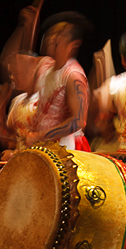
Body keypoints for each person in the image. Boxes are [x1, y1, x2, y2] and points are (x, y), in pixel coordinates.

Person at [25, 12, 93, 151]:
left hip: (68, 148)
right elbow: (17, 61)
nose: (52, 39)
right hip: (45, 146)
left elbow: (78, 121)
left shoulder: (73, 75)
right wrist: (26, 26)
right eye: (51, 35)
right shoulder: (45, 67)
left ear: (72, 45)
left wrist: (41, 136)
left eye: (58, 36)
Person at [93, 33, 126, 154]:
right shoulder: (115, 86)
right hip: (124, 153)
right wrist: (104, 119)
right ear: (125, 60)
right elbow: (106, 132)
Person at [0, 52, 42, 159]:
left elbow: (47, 141)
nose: (12, 78)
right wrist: (1, 102)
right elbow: (8, 139)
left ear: (32, 71)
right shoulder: (17, 101)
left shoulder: (45, 99)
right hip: (21, 166)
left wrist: (14, 155)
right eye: (11, 74)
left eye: (16, 73)